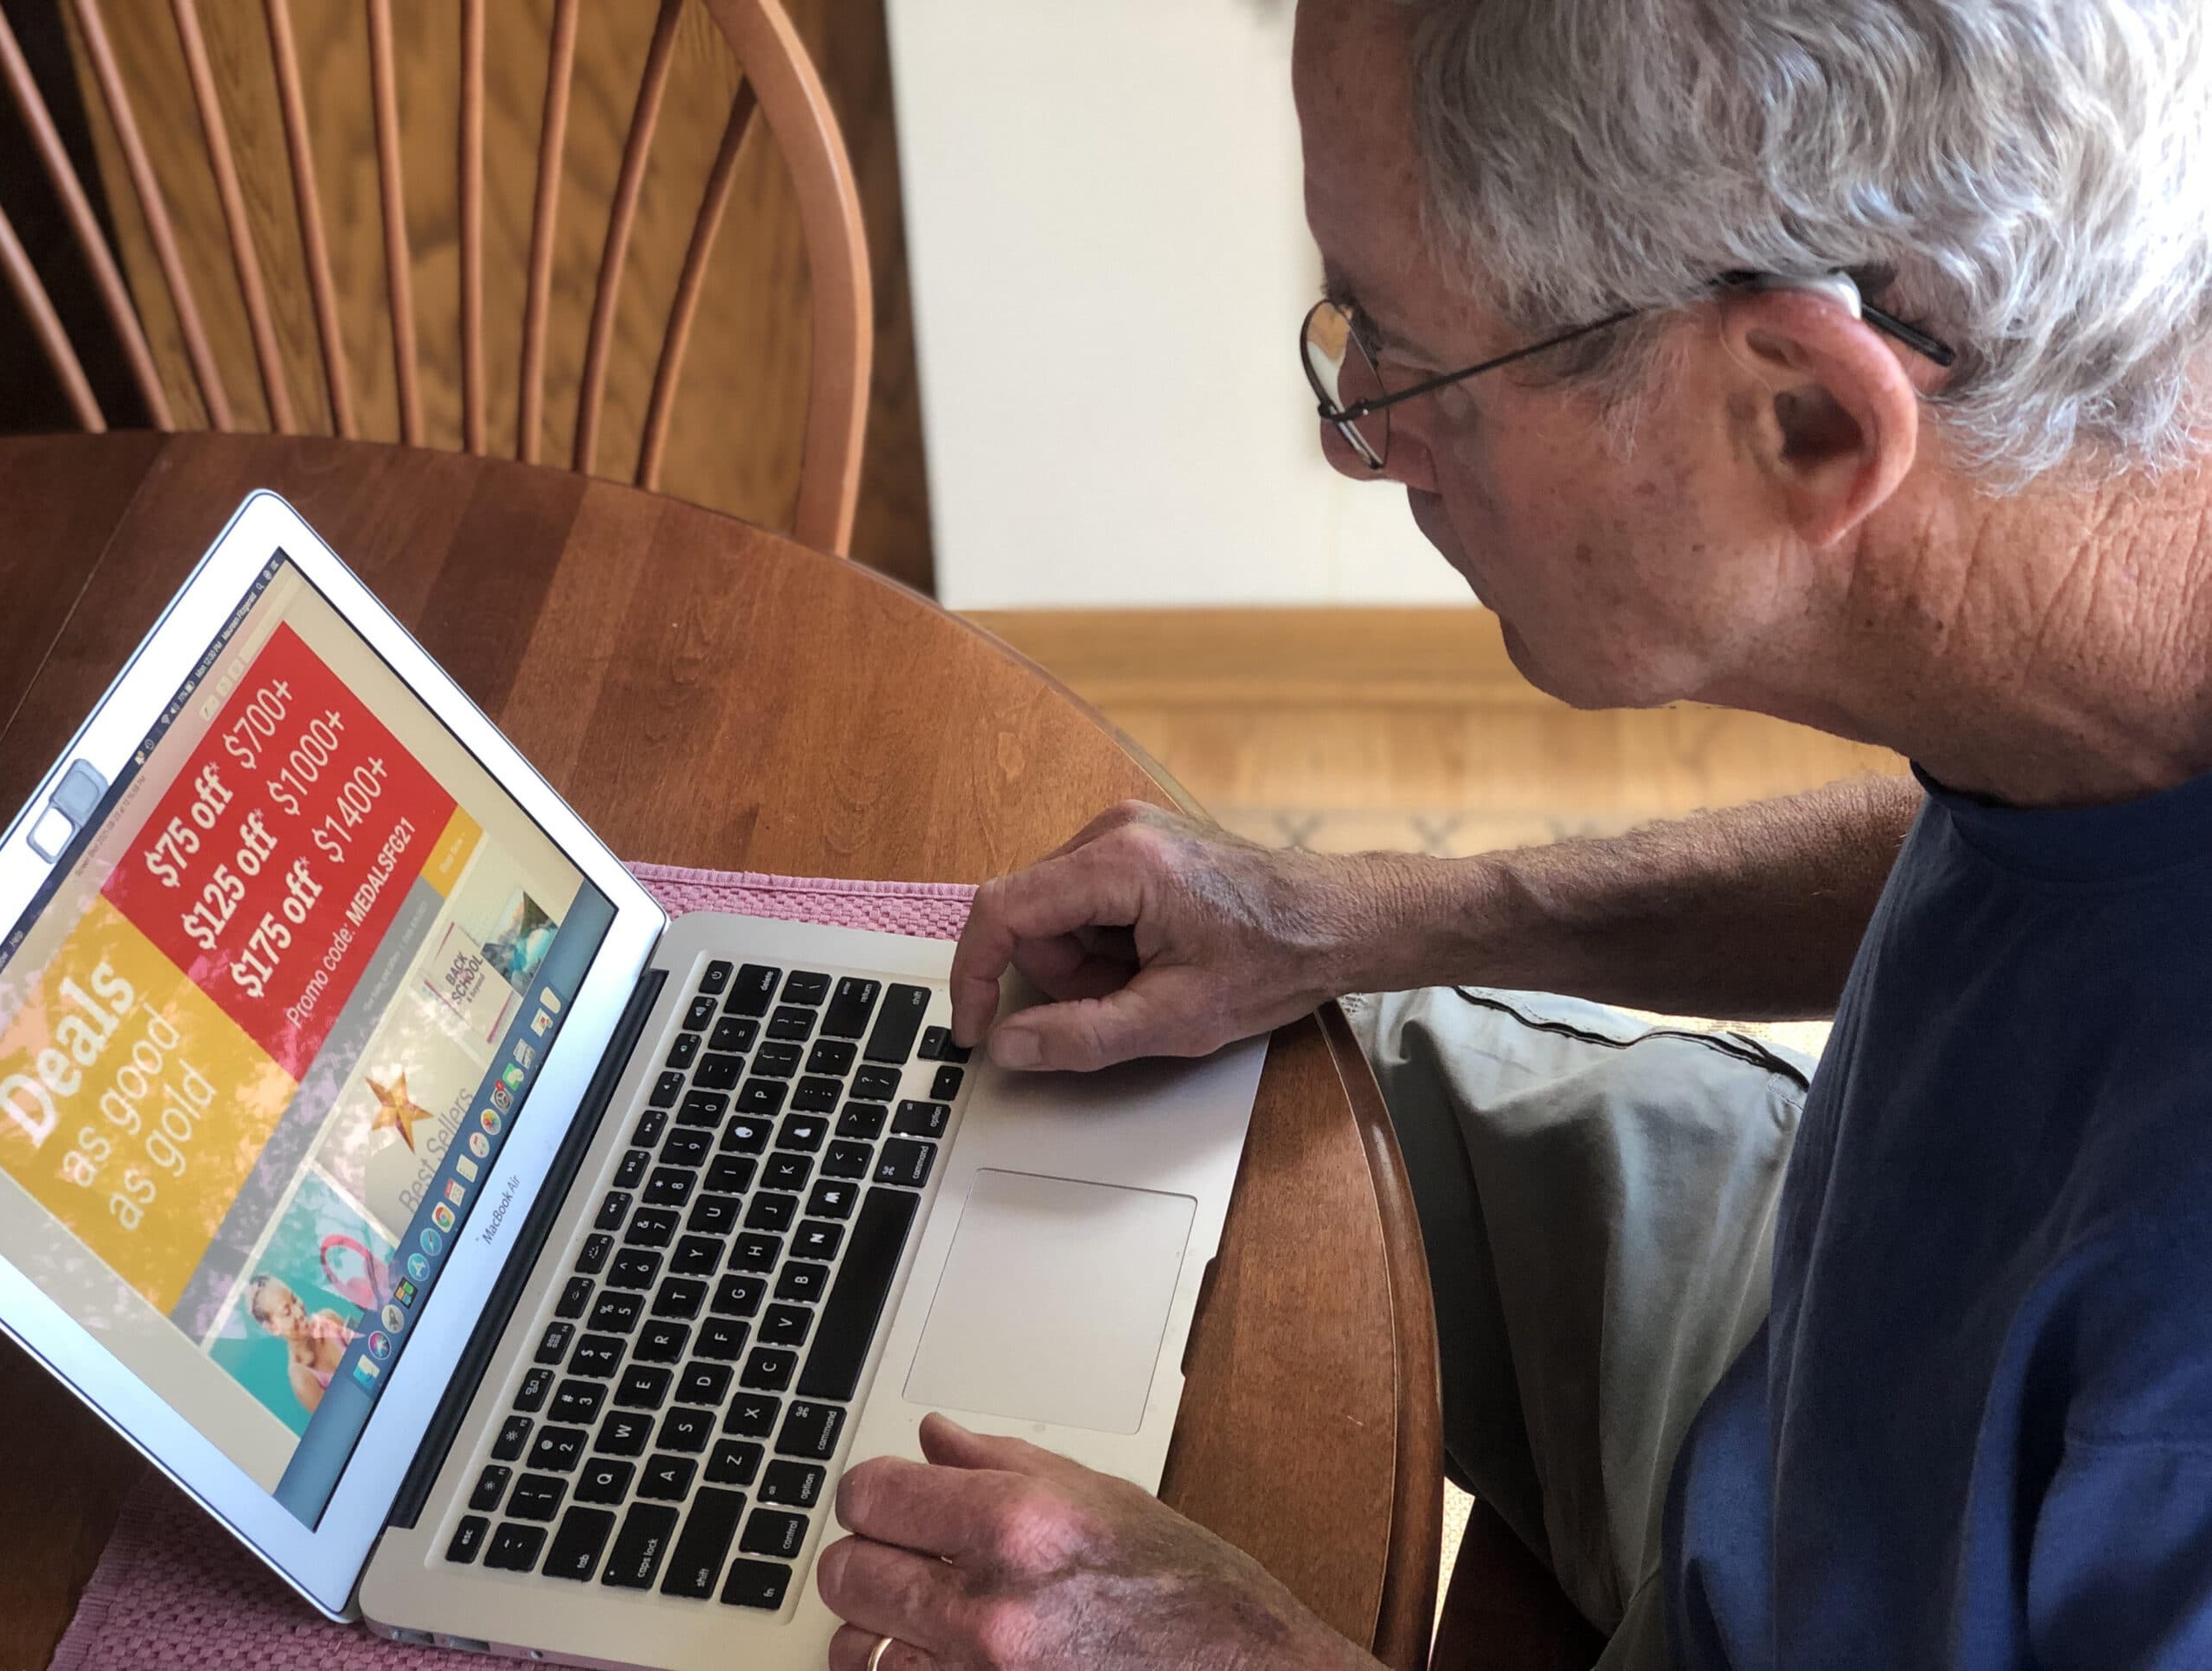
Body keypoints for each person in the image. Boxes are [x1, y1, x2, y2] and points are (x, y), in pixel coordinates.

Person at [814, 2, 2212, 1668]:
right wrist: (1372, 917)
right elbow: (2041, 853)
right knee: (1167, 1065)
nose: (1355, 437)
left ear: (1808, 423)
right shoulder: (2098, 601)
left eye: (1413, 360)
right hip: (1810, 1305)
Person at [245, 1273, 354, 1417]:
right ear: (273, 1328)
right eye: (287, 1312)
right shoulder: (301, 1377)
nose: (299, 1312)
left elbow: (373, 1346)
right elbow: (339, 1420)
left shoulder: (329, 1318)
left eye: (294, 1299)